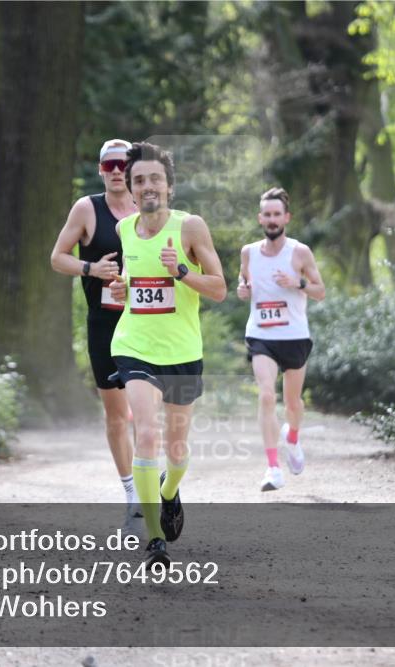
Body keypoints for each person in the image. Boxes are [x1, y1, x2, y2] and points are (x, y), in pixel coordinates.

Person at [109, 141, 227, 567]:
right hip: (134, 345)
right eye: (139, 180)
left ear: (169, 186)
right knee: (145, 433)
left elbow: (219, 288)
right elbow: (133, 284)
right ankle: (155, 538)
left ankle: (169, 489)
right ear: (131, 187)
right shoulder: (125, 230)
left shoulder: (190, 228)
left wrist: (180, 270)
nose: (147, 186)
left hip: (182, 351)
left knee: (176, 451)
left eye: (155, 178)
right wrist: (123, 287)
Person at [50, 139, 140, 524]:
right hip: (104, 323)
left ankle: (155, 481)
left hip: (147, 322)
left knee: (151, 409)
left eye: (122, 164)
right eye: (109, 166)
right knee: (118, 414)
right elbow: (57, 258)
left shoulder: (148, 208)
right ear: (100, 170)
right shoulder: (87, 208)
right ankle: (132, 493)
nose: (116, 171)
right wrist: (91, 269)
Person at [236, 187, 325, 492]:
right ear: (260, 218)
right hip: (261, 334)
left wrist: (297, 282)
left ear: (286, 217)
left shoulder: (299, 252)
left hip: (294, 335)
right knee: (265, 396)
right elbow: (243, 280)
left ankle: (293, 437)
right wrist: (242, 289)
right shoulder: (248, 252)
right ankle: (273, 467)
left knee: (292, 403)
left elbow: (320, 291)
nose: (272, 220)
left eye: (277, 214)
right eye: (267, 215)